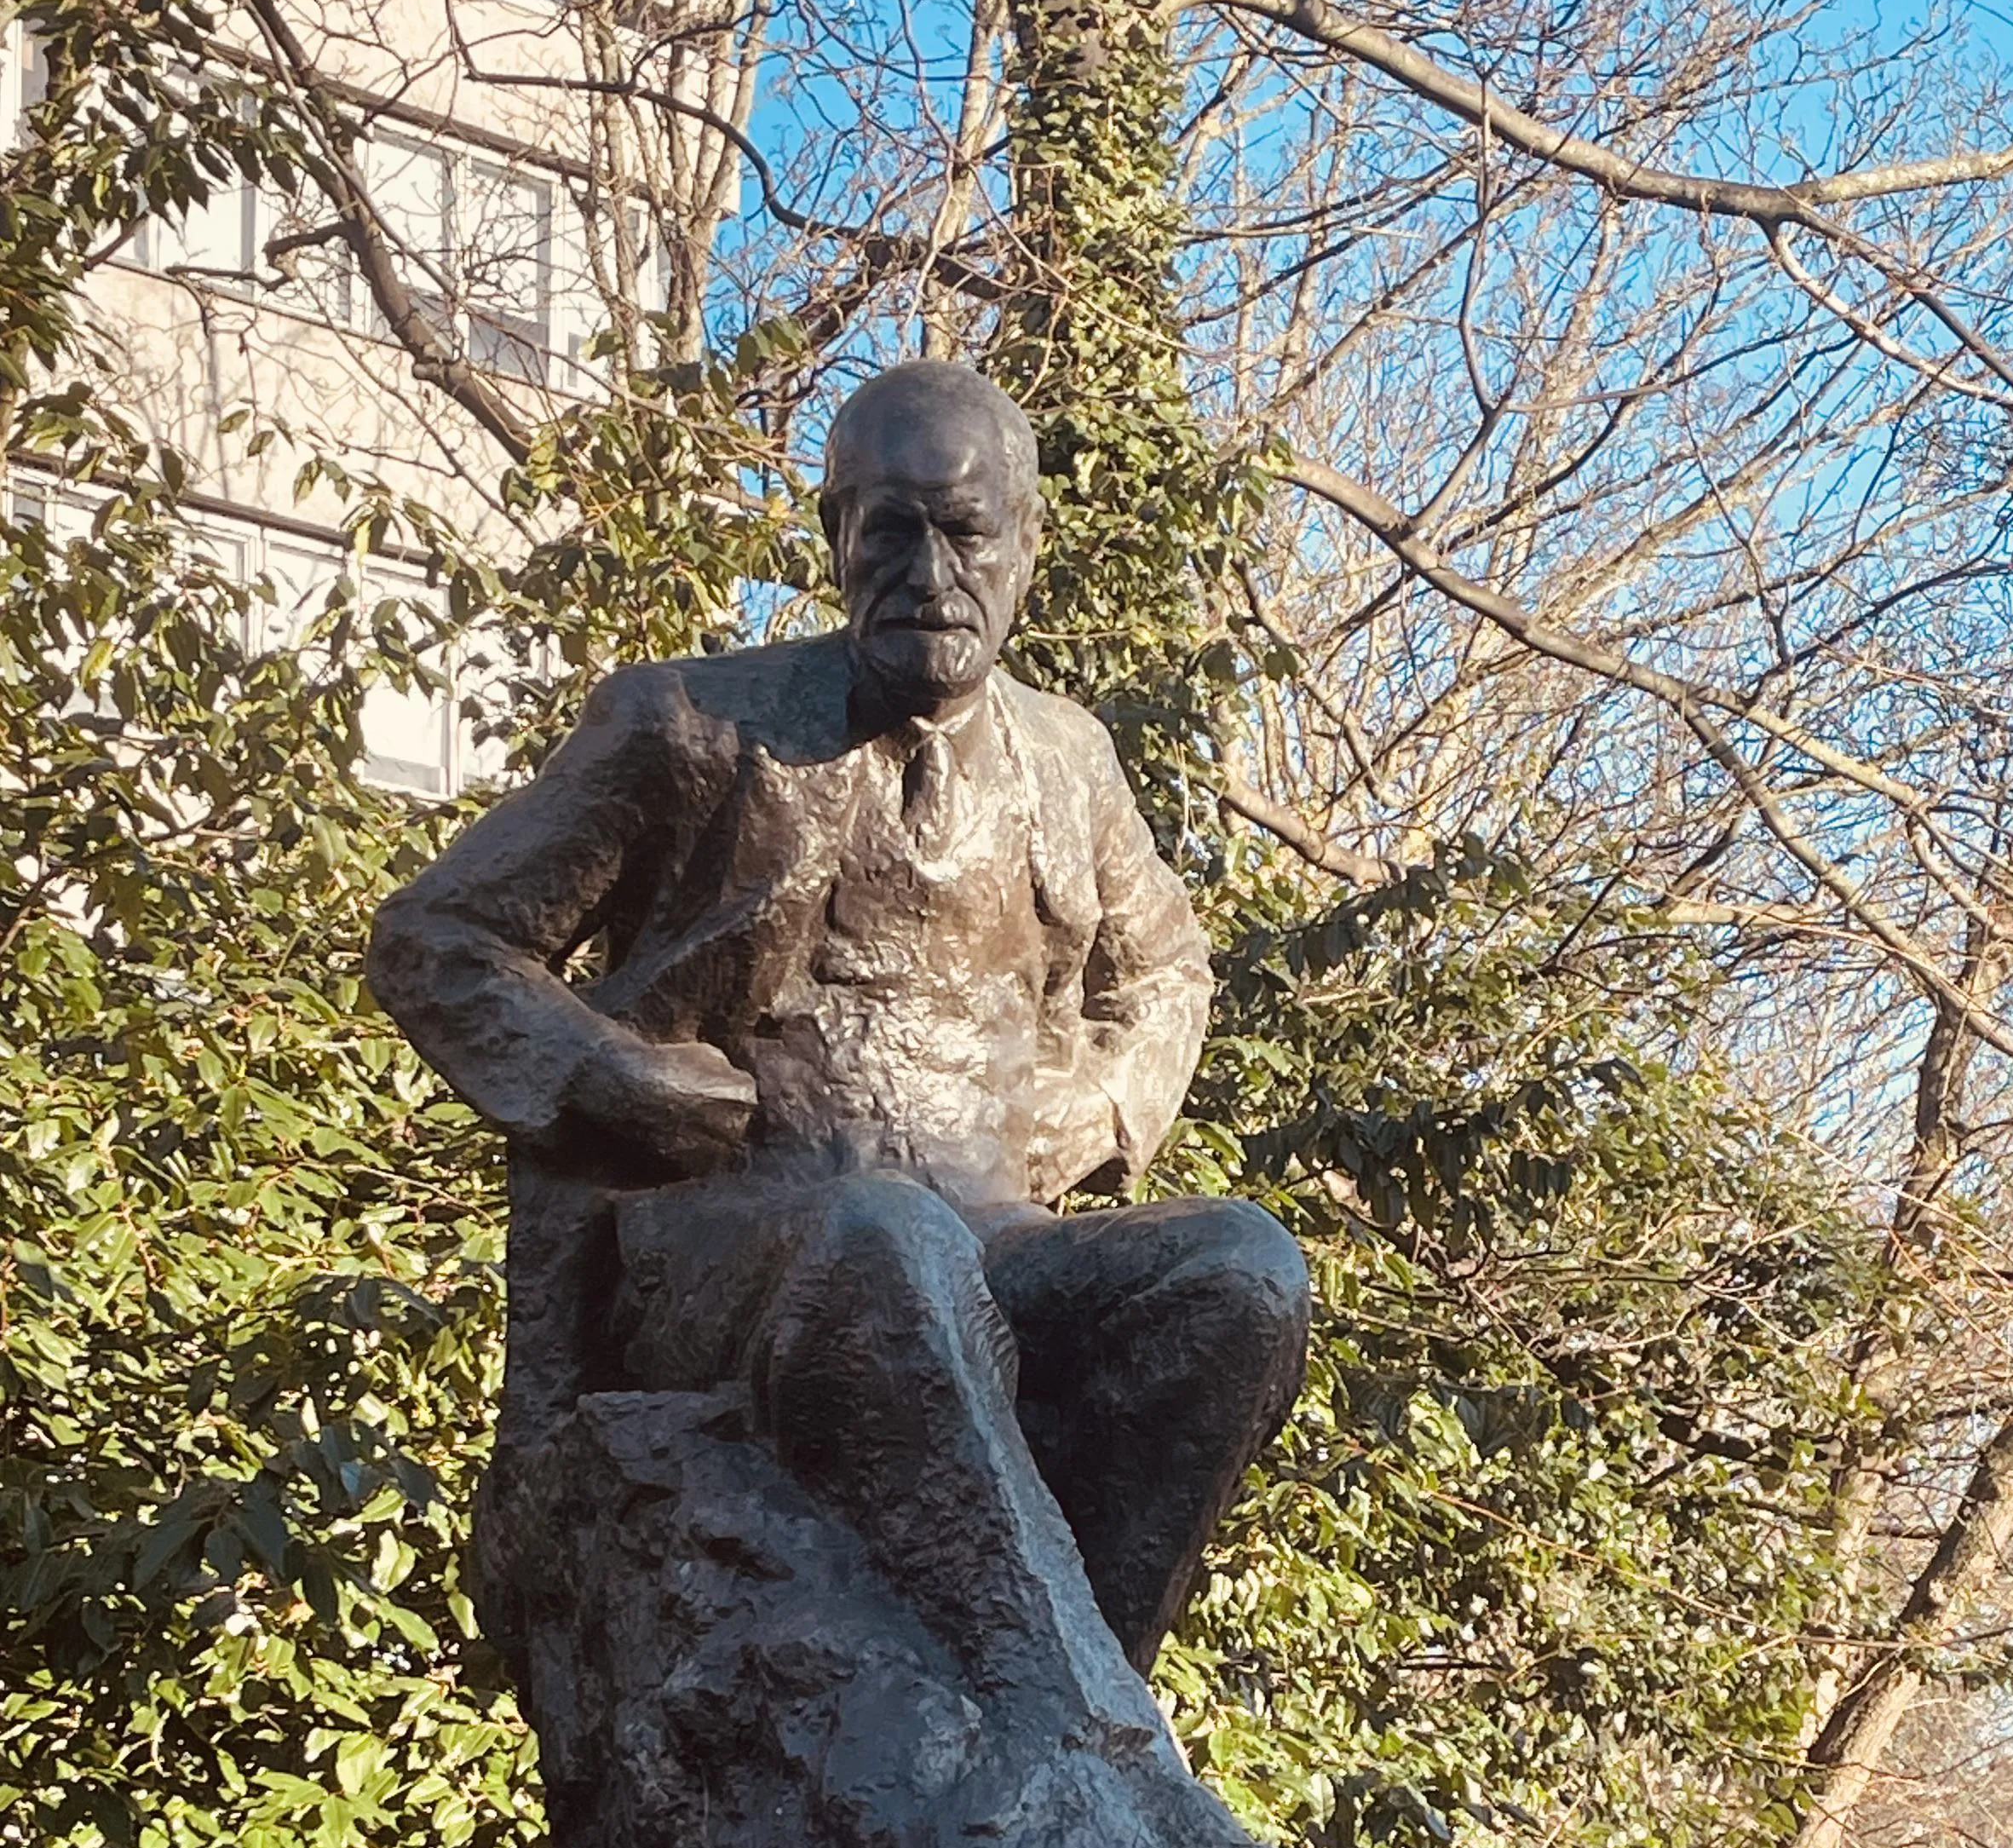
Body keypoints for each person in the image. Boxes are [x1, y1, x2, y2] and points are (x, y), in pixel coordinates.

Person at [368, 359, 1310, 1702]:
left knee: (1238, 1269)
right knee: (887, 1235)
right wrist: (606, 1070)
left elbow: (1165, 975)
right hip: (726, 1247)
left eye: (967, 530)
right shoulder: (687, 724)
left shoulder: (1070, 759)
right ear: (834, 540)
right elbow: (437, 940)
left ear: (1027, 545)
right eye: (889, 528)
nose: (928, 568)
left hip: (997, 1239)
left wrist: (1100, 1110)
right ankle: (1057, 1719)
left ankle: (1088, 1705)